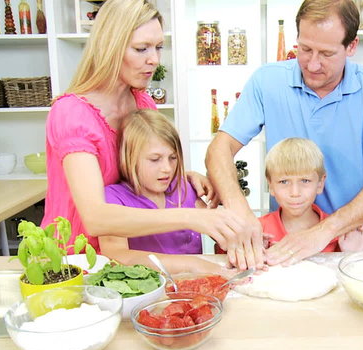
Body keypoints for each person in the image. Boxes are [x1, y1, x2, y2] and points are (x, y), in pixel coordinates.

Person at [206, 0, 363, 268]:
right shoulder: (267, 82)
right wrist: (239, 209)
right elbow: (219, 150)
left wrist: (324, 232)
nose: (312, 64)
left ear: (351, 47)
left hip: (354, 252)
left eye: (326, 53)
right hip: (284, 252)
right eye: (305, 49)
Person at [42, 0, 246, 256]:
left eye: (158, 47)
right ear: (110, 47)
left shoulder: (142, 102)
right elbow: (94, 217)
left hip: (123, 257)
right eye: (141, 49)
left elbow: (137, 170)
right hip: (74, 259)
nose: (154, 60)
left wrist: (183, 177)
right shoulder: (71, 113)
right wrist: (191, 217)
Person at [98, 109, 232, 275]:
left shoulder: (184, 188)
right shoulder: (113, 198)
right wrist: (190, 264)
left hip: (193, 285)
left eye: (173, 158)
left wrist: (242, 238)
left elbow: (219, 229)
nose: (167, 168)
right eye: (155, 159)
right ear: (128, 158)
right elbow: (116, 256)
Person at [216, 138, 363, 255]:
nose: (295, 192)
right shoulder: (257, 229)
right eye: (284, 182)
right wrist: (251, 252)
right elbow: (228, 264)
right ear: (271, 186)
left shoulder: (339, 234)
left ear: (320, 183)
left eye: (305, 180)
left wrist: (350, 255)